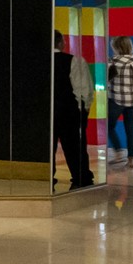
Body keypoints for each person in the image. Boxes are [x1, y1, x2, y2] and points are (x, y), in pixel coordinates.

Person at [53, 31, 94, 190]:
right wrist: (84, 110)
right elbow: (83, 90)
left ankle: (46, 179)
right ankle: (81, 178)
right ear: (60, 43)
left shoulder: (35, 61)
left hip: (44, 113)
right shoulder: (73, 61)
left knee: (46, 149)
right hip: (68, 111)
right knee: (74, 147)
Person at [105, 35, 133, 167]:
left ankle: (118, 152)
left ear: (115, 47)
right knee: (131, 129)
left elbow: (106, 79)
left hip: (116, 99)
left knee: (109, 126)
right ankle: (131, 159)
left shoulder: (112, 62)